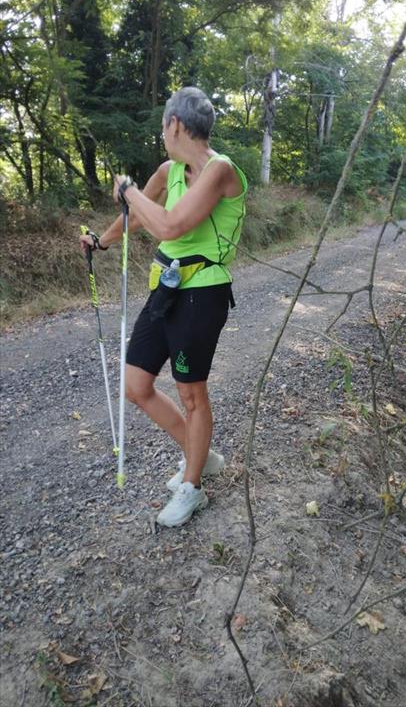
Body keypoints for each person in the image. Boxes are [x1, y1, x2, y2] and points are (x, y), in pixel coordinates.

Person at [79, 86, 247, 527]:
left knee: (191, 393)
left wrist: (129, 191)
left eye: (163, 126)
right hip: (165, 288)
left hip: (203, 292)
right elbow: (137, 215)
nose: (162, 134)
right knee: (136, 386)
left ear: (174, 124)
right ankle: (202, 454)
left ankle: (192, 486)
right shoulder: (168, 171)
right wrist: (101, 241)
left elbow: (170, 224)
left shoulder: (220, 170)